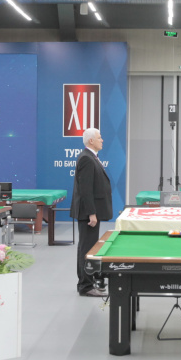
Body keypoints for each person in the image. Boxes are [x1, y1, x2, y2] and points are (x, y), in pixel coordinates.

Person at [71, 127, 113, 297]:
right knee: (87, 249)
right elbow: (86, 189)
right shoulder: (86, 159)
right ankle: (86, 286)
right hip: (88, 213)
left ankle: (87, 281)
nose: (102, 140)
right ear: (91, 141)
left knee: (87, 247)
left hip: (91, 211)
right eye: (99, 137)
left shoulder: (91, 157)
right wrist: (91, 213)